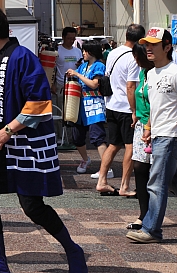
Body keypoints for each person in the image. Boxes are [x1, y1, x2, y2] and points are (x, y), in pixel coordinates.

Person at [0, 6, 86, 273]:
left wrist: (9, 129)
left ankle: (72, 249)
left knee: (32, 206)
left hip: (20, 145)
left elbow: (39, 103)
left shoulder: (23, 58)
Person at [126, 27, 177, 243]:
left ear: (167, 47)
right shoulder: (150, 73)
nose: (148, 48)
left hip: (171, 136)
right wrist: (148, 128)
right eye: (147, 44)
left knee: (156, 184)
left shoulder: (176, 73)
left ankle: (151, 229)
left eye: (154, 45)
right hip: (158, 134)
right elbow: (156, 106)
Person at [95, 24, 145, 197]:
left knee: (113, 144)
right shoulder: (133, 57)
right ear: (140, 40)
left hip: (111, 104)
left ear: (126, 35)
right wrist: (134, 111)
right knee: (130, 146)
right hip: (125, 107)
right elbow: (130, 86)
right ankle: (125, 186)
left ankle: (102, 181)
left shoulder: (113, 53)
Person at [65, 40, 106, 174]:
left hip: (94, 105)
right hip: (79, 105)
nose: (83, 53)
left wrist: (77, 74)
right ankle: (85, 159)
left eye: (85, 51)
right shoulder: (83, 66)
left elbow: (94, 84)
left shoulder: (99, 66)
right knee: (77, 137)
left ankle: (106, 168)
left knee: (97, 137)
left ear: (92, 52)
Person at [128, 43, 154, 230]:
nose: (135, 60)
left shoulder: (156, 73)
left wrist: (149, 126)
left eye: (137, 57)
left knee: (168, 176)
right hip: (141, 126)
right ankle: (144, 214)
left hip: (154, 127)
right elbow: (139, 95)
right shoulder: (143, 72)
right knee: (139, 168)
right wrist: (136, 114)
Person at [55, 27, 83, 101]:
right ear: (63, 37)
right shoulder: (57, 50)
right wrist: (53, 85)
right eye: (69, 38)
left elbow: (82, 66)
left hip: (75, 84)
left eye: (73, 39)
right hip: (61, 84)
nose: (71, 41)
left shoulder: (78, 51)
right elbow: (53, 68)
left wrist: (80, 65)